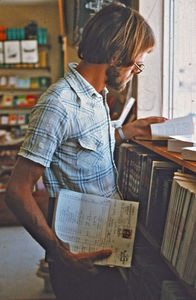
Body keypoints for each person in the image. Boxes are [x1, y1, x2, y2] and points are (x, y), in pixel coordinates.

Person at [5, 3, 166, 300]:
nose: (135, 73)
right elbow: (17, 191)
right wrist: (57, 252)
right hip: (76, 250)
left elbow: (78, 146)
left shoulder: (96, 97)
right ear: (116, 56)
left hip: (105, 236)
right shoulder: (58, 104)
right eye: (136, 64)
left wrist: (125, 131)